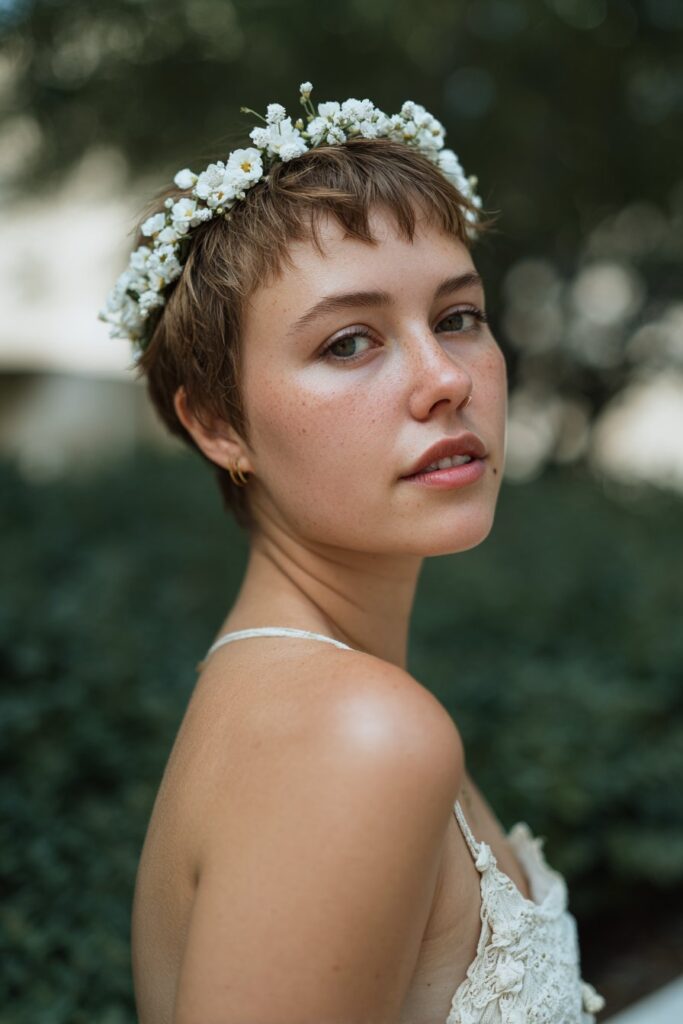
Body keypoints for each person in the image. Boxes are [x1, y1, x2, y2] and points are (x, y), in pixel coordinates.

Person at [100, 83, 606, 1024]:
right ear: (217, 423)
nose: (445, 379)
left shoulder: (301, 702)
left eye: (457, 316)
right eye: (348, 342)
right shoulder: (351, 738)